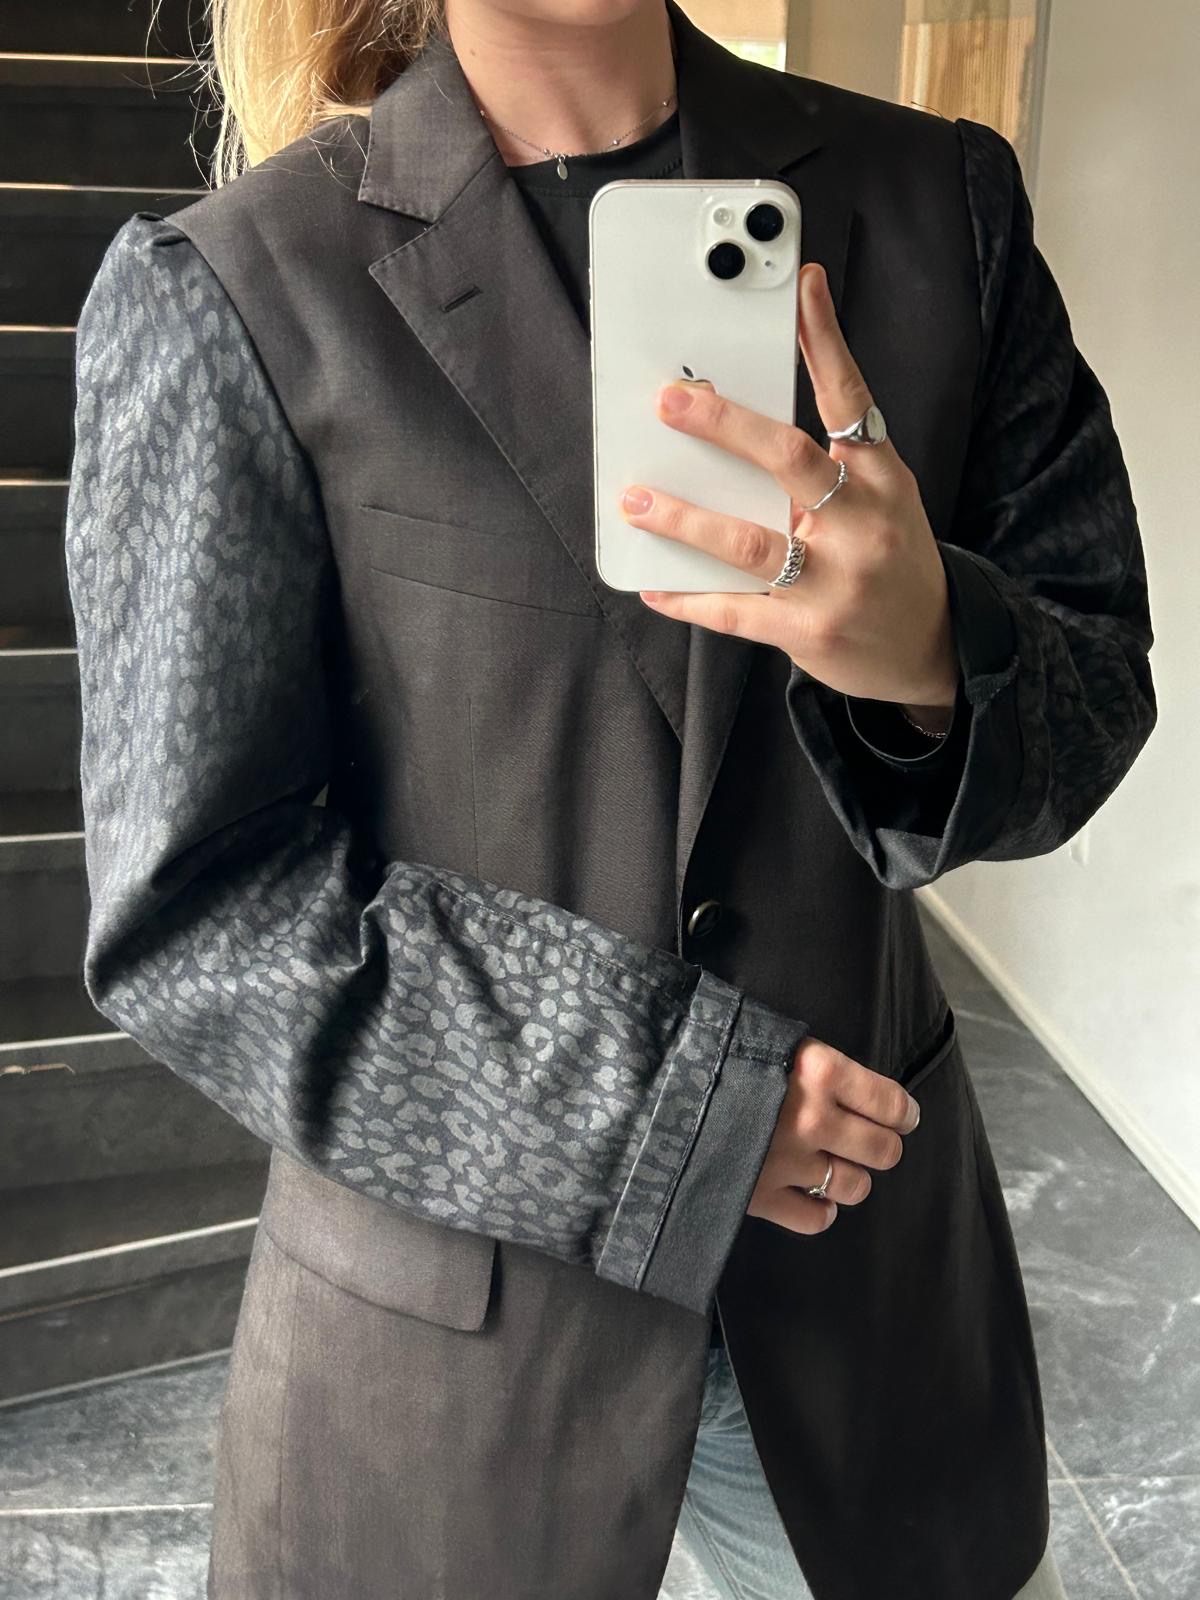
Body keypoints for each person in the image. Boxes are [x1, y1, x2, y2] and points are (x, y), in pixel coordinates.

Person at [63, 1, 1156, 1597]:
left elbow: (1098, 688)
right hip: (449, 1361)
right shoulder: (236, 288)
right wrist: (667, 1117)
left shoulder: (943, 207)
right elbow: (197, 914)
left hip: (869, 1318)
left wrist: (936, 648)